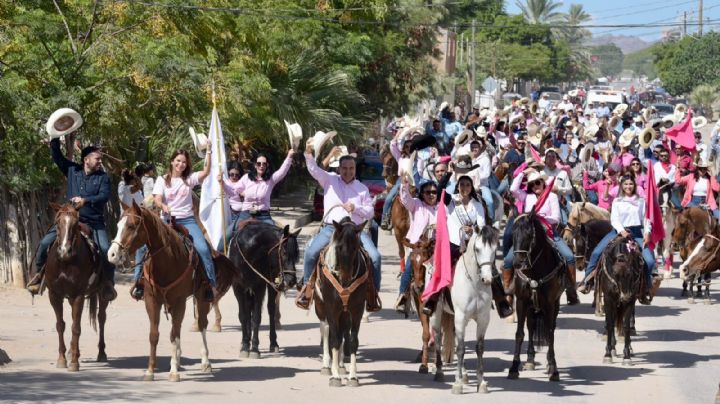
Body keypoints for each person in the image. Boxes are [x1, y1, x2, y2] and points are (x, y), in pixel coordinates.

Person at [296, 141, 381, 312]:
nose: (348, 171)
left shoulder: (362, 189)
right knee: (311, 253)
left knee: (375, 257)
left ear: (355, 169)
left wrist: (355, 208)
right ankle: (307, 289)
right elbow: (314, 170)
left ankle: (372, 294)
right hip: (332, 229)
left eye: (351, 168)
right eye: (345, 168)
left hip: (356, 230)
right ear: (339, 168)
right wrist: (308, 153)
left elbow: (370, 212)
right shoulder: (329, 180)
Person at [27, 140, 115, 301]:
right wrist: (54, 139)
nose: (100, 161)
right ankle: (38, 276)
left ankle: (108, 283)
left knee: (105, 250)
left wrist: (85, 200)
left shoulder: (104, 178)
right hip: (69, 219)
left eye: (100, 159)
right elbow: (58, 157)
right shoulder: (72, 170)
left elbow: (104, 196)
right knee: (45, 243)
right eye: (97, 158)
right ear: (86, 159)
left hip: (94, 222)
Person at [140, 149, 216, 301]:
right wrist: (163, 206)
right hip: (166, 222)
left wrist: (208, 152)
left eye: (184, 162)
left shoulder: (189, 179)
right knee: (143, 247)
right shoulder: (162, 179)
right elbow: (157, 198)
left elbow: (206, 171)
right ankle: (140, 283)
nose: (180, 164)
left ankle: (210, 284)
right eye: (178, 161)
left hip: (187, 220)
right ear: (172, 161)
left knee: (203, 248)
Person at [503, 169, 580, 305]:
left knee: (568, 256)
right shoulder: (527, 196)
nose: (535, 186)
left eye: (537, 182)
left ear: (543, 182)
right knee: (509, 259)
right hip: (529, 234)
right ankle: (508, 290)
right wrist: (523, 173)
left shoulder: (552, 197)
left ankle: (571, 289)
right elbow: (514, 189)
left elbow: (556, 218)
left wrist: (539, 219)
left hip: (549, 232)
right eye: (532, 184)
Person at [578, 175, 656, 304]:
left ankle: (646, 287)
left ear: (634, 186)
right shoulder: (617, 201)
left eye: (631, 184)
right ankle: (587, 281)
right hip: (617, 231)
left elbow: (646, 219)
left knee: (649, 260)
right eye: (625, 184)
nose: (628, 187)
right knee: (597, 252)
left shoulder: (641, 201)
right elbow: (614, 219)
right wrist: (622, 231)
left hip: (637, 232)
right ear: (621, 186)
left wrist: (647, 232)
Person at [218, 151, 294, 247]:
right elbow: (233, 192)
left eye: (264, 164)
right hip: (245, 214)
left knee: (277, 239)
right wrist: (222, 184)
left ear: (267, 166)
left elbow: (282, 171)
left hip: (264, 216)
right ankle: (218, 258)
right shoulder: (246, 178)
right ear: (255, 165)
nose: (261, 166)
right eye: (259, 164)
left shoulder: (271, 180)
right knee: (225, 237)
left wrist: (289, 156)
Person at [394, 177, 439, 313]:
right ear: (422, 194)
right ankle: (402, 296)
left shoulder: (442, 207)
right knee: (408, 268)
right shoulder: (416, 204)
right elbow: (405, 198)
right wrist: (404, 183)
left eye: (434, 192)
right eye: (427, 192)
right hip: (418, 247)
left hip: (437, 247)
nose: (431, 195)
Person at [381, 131, 414, 230]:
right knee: (388, 198)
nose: (409, 149)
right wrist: (399, 133)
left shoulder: (417, 158)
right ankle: (385, 218)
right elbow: (392, 144)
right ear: (404, 148)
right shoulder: (400, 157)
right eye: (407, 147)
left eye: (411, 147)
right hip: (401, 181)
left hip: (414, 182)